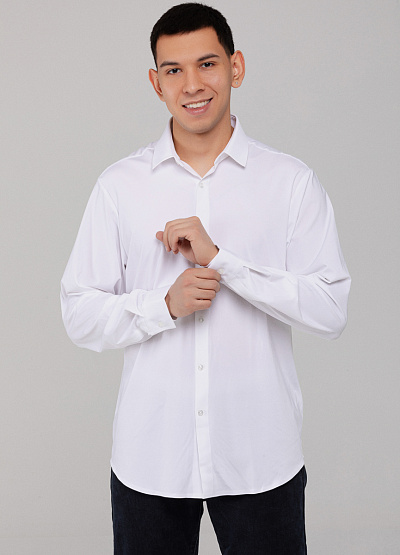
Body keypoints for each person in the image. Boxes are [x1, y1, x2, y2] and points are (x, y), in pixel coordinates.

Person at [61, 3, 351, 553]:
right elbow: (78, 312)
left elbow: (330, 311)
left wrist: (223, 262)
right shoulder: (119, 187)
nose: (192, 84)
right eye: (174, 69)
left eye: (207, 64)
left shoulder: (290, 182)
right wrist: (163, 306)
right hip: (151, 460)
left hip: (260, 457)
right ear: (156, 83)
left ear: (236, 67)